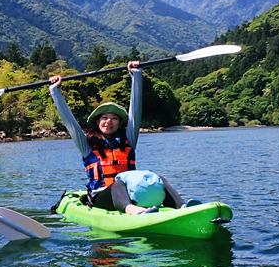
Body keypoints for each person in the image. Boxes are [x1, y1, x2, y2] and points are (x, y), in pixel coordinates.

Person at [49, 61, 185, 214]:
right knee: (118, 184)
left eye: (114, 118)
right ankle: (131, 210)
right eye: (104, 117)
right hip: (101, 197)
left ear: (120, 122)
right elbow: (69, 122)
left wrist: (136, 75)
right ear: (97, 121)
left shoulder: (128, 140)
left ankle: (183, 207)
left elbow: (135, 111)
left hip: (130, 192)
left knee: (158, 179)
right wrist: (55, 91)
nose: (108, 121)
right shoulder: (86, 144)